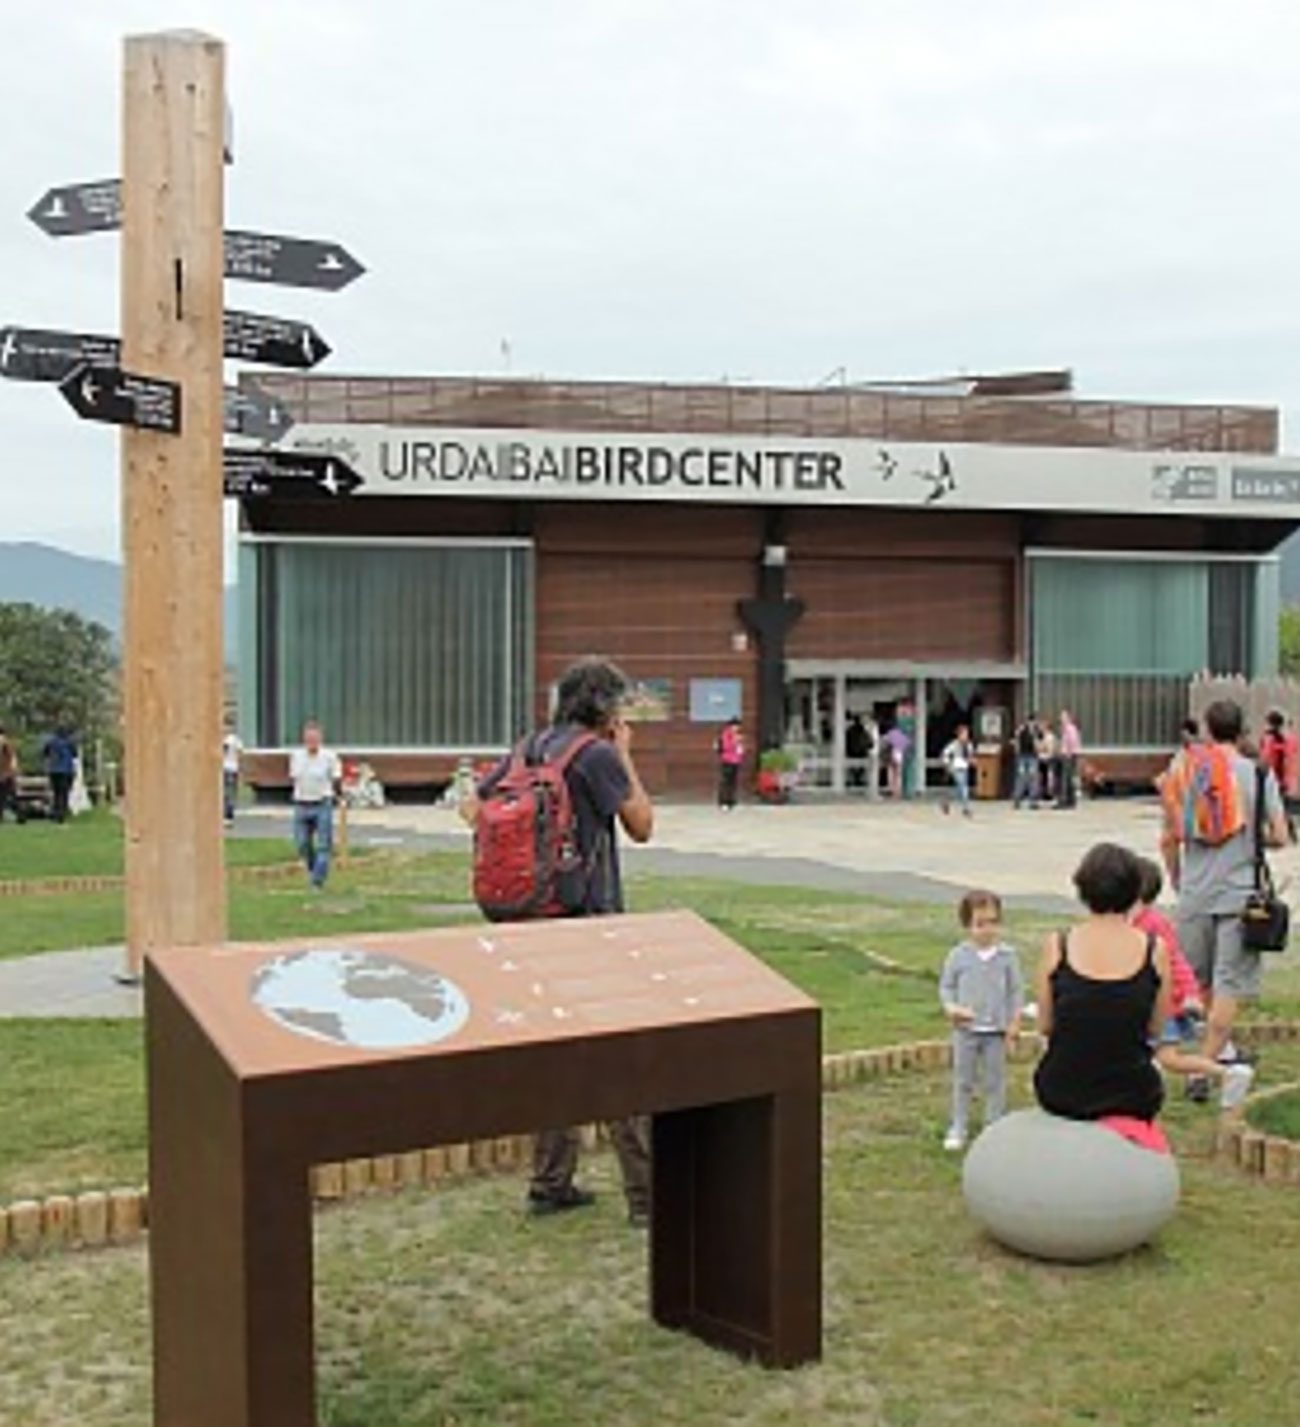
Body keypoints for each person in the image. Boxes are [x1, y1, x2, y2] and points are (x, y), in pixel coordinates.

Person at [462, 657, 655, 1224]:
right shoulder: (596, 755)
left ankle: (550, 1184)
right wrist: (625, 754)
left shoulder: (528, 748)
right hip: (589, 924)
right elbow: (642, 825)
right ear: (605, 707)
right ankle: (647, 1197)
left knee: (554, 1053)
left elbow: (472, 808)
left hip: (528, 923)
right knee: (619, 1060)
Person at [1160, 699, 1288, 1074]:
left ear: (1207, 729)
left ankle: (1208, 1052)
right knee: (1229, 981)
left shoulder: (1187, 770)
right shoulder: (1258, 775)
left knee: (1197, 979)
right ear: (1241, 729)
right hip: (1239, 894)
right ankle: (1206, 1064)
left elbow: (1169, 837)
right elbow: (1280, 835)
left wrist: (1178, 878)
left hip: (1196, 891)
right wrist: (1251, 837)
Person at [1034, 842, 1171, 1125]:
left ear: (1083, 889)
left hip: (1063, 1090)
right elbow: (1156, 1027)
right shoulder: (1154, 950)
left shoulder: (1058, 946)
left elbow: (1045, 1025)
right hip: (1133, 1093)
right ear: (1134, 892)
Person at [1131, 857, 1254, 1112]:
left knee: (1168, 1057)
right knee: (1159, 1056)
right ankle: (1223, 1072)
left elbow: (1176, 962)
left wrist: (1189, 994)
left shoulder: (1150, 924)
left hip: (1159, 1006)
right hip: (1148, 1003)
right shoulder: (1139, 921)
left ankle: (1225, 1073)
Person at [939, 889, 1024, 1151]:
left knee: (995, 1081)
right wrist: (952, 1008)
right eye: (980, 924)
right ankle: (959, 1125)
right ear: (967, 925)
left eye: (993, 922)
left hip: (996, 1032)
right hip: (965, 1031)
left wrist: (1014, 1022)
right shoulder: (958, 955)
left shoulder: (1008, 957)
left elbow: (1016, 991)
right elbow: (946, 986)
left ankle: (993, 1126)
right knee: (963, 1079)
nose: (987, 930)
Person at [289, 720, 342, 891]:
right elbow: (294, 778)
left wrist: (338, 795)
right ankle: (313, 869)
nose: (311, 742)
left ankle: (317, 881)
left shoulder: (329, 757)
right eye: (308, 739)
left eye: (314, 739)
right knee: (302, 843)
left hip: (322, 803)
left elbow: (336, 778)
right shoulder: (297, 756)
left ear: (320, 739)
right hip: (302, 803)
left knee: (323, 844)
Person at [1259, 709, 1298, 842]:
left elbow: (1265, 758)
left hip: (1274, 778)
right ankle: (1289, 832)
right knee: (1282, 807)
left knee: (1274, 807)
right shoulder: (1289, 738)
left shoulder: (1269, 739)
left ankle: (1282, 832)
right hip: (1285, 779)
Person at [42, 724, 78, 824]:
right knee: (64, 793)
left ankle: (56, 812)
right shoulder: (69, 742)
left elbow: (45, 753)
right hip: (66, 770)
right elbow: (75, 755)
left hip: (53, 770)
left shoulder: (50, 742)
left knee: (56, 793)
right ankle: (61, 814)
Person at [940, 724, 974, 818]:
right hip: (956, 768)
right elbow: (945, 753)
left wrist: (971, 761)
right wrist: (947, 764)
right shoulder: (954, 744)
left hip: (965, 768)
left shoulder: (969, 745)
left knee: (959, 790)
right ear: (959, 735)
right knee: (964, 788)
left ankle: (946, 801)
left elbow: (970, 756)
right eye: (964, 734)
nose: (965, 736)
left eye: (967, 734)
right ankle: (966, 809)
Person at [1012, 712, 1041, 809]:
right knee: (1022, 778)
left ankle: (1032, 800)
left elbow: (1039, 741)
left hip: (1031, 756)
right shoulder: (1022, 730)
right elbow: (1017, 741)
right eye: (1032, 721)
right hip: (1024, 756)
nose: (1033, 723)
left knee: (1032, 778)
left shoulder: (1036, 731)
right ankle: (1017, 799)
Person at [716, 716, 744, 810]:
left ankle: (731, 800)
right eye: (735, 726)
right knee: (726, 781)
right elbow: (726, 747)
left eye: (738, 726)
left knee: (733, 781)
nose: (737, 728)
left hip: (736, 760)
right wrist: (735, 742)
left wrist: (740, 749)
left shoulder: (737, 735)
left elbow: (739, 748)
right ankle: (723, 801)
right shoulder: (726, 734)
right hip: (727, 760)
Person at [1057, 710, 1082, 809]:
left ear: (1068, 718)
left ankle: (1065, 801)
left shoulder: (1070, 728)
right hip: (1069, 755)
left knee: (1066, 778)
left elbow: (1073, 742)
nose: (1061, 719)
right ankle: (1070, 801)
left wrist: (1069, 753)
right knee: (1068, 778)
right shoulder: (1067, 728)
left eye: (1063, 717)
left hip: (1069, 756)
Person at [222, 726, 244, 826]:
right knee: (231, 792)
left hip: (226, 767)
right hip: (233, 768)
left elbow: (223, 752)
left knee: (226, 792)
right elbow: (240, 753)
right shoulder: (236, 740)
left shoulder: (226, 740)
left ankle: (227, 815)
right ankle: (229, 815)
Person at [881, 722, 910, 799]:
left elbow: (884, 742)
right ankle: (898, 791)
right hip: (900, 754)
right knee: (898, 774)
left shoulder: (889, 734)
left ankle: (892, 790)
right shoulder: (902, 735)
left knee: (891, 772)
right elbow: (908, 743)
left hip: (892, 754)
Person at [845, 714, 871, 790]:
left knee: (854, 767)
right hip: (859, 751)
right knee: (859, 767)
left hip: (854, 750)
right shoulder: (861, 729)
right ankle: (857, 779)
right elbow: (868, 740)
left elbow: (847, 741)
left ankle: (856, 779)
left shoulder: (850, 730)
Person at [1035, 721, 1057, 807]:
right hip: (1041, 758)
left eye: (1042, 727)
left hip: (1048, 759)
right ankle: (1043, 794)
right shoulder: (1041, 736)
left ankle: (1049, 794)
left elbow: (1049, 749)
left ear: (1047, 728)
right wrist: (1041, 746)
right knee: (1042, 777)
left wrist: (1042, 746)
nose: (1041, 729)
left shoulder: (1050, 736)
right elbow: (1037, 748)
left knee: (1048, 777)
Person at [0, 726, 18, 824]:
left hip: (4, 773)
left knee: (5, 795)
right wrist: (14, 771)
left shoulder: (5, 743)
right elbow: (13, 758)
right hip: (6, 774)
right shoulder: (7, 743)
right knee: (6, 795)